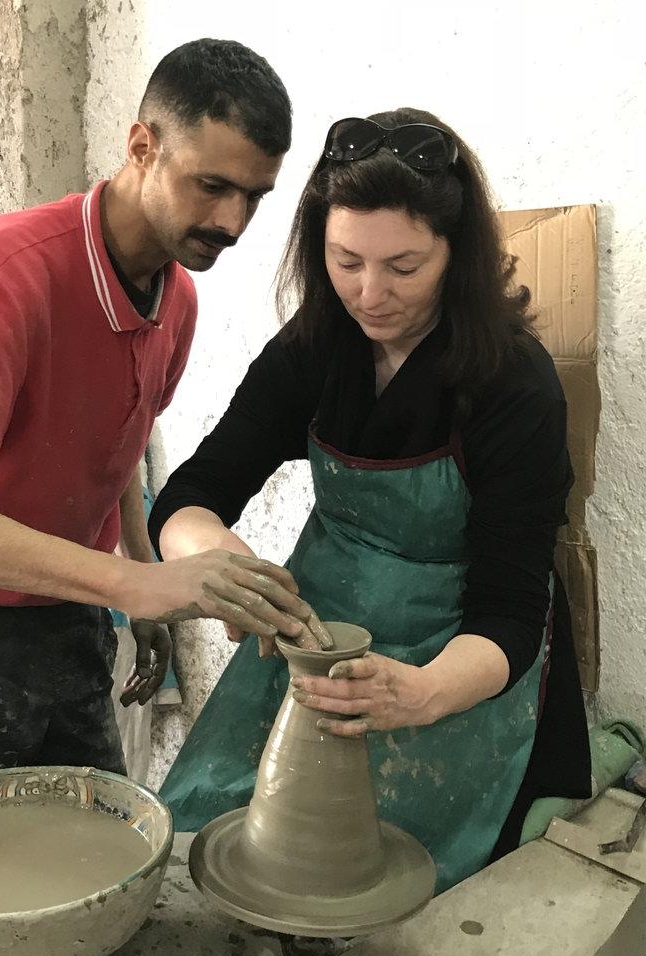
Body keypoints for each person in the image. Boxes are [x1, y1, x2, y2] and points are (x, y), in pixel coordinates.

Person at [149, 108, 592, 893]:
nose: (369, 292)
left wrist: (420, 694)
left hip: (460, 654)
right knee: (204, 834)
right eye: (345, 260)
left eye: (404, 267)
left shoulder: (511, 386)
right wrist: (221, 568)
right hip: (321, 628)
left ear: (457, 258)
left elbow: (513, 615)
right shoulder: (314, 349)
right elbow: (190, 495)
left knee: (393, 879)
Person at [0, 39, 320, 780]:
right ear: (141, 145)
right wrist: (135, 583)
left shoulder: (179, 298)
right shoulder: (7, 272)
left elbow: (121, 456)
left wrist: (142, 586)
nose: (233, 222)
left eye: (255, 196)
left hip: (73, 615)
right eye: (211, 185)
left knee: (96, 840)